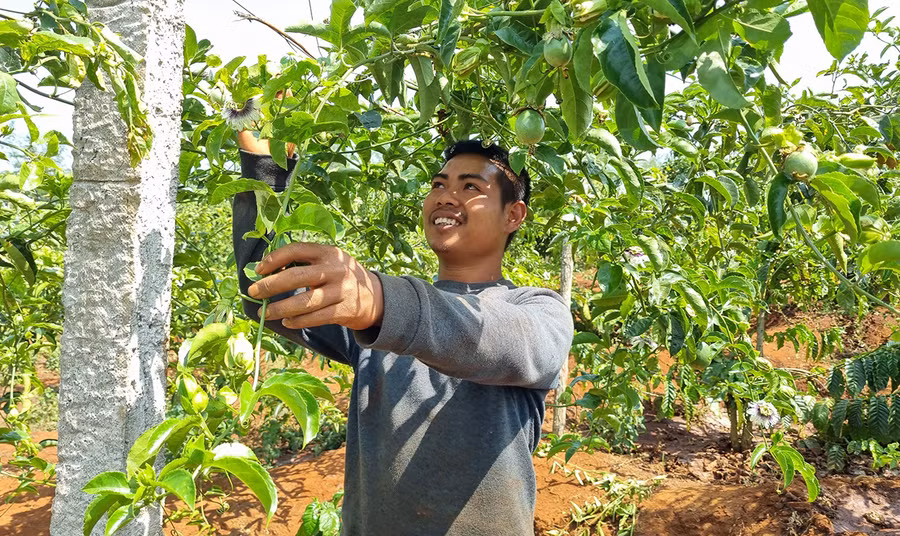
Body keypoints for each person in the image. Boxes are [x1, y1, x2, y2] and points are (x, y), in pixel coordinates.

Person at [232, 136, 573, 535]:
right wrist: (264, 167)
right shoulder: (376, 317)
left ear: (513, 215)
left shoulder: (538, 309)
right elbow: (266, 295)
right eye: (438, 185)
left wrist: (380, 301)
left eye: (470, 188)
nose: (446, 196)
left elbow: (506, 344)